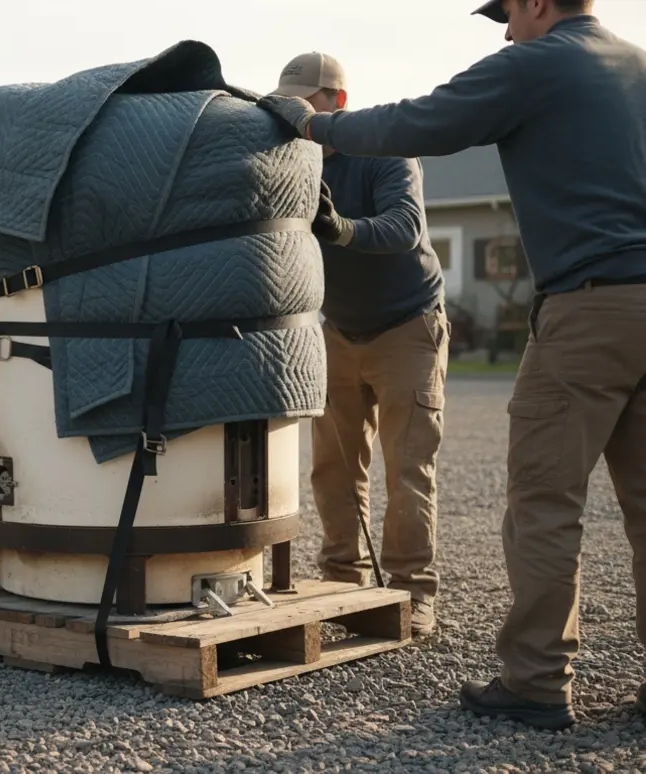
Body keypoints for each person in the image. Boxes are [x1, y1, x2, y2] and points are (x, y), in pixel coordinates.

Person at [259, 0, 646, 732]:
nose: (505, 30)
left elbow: (420, 121)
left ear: (538, 3)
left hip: (586, 308)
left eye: (508, 13)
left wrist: (315, 127)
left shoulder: (538, 63)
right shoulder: (636, 68)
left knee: (545, 504)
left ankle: (535, 681)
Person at [269, 52, 448, 641]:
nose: (298, 116)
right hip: (337, 328)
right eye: (288, 104)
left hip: (407, 327)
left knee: (407, 469)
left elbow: (405, 228)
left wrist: (339, 227)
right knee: (334, 469)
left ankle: (408, 594)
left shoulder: (386, 150)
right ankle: (343, 584)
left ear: (337, 103)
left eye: (308, 103)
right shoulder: (292, 161)